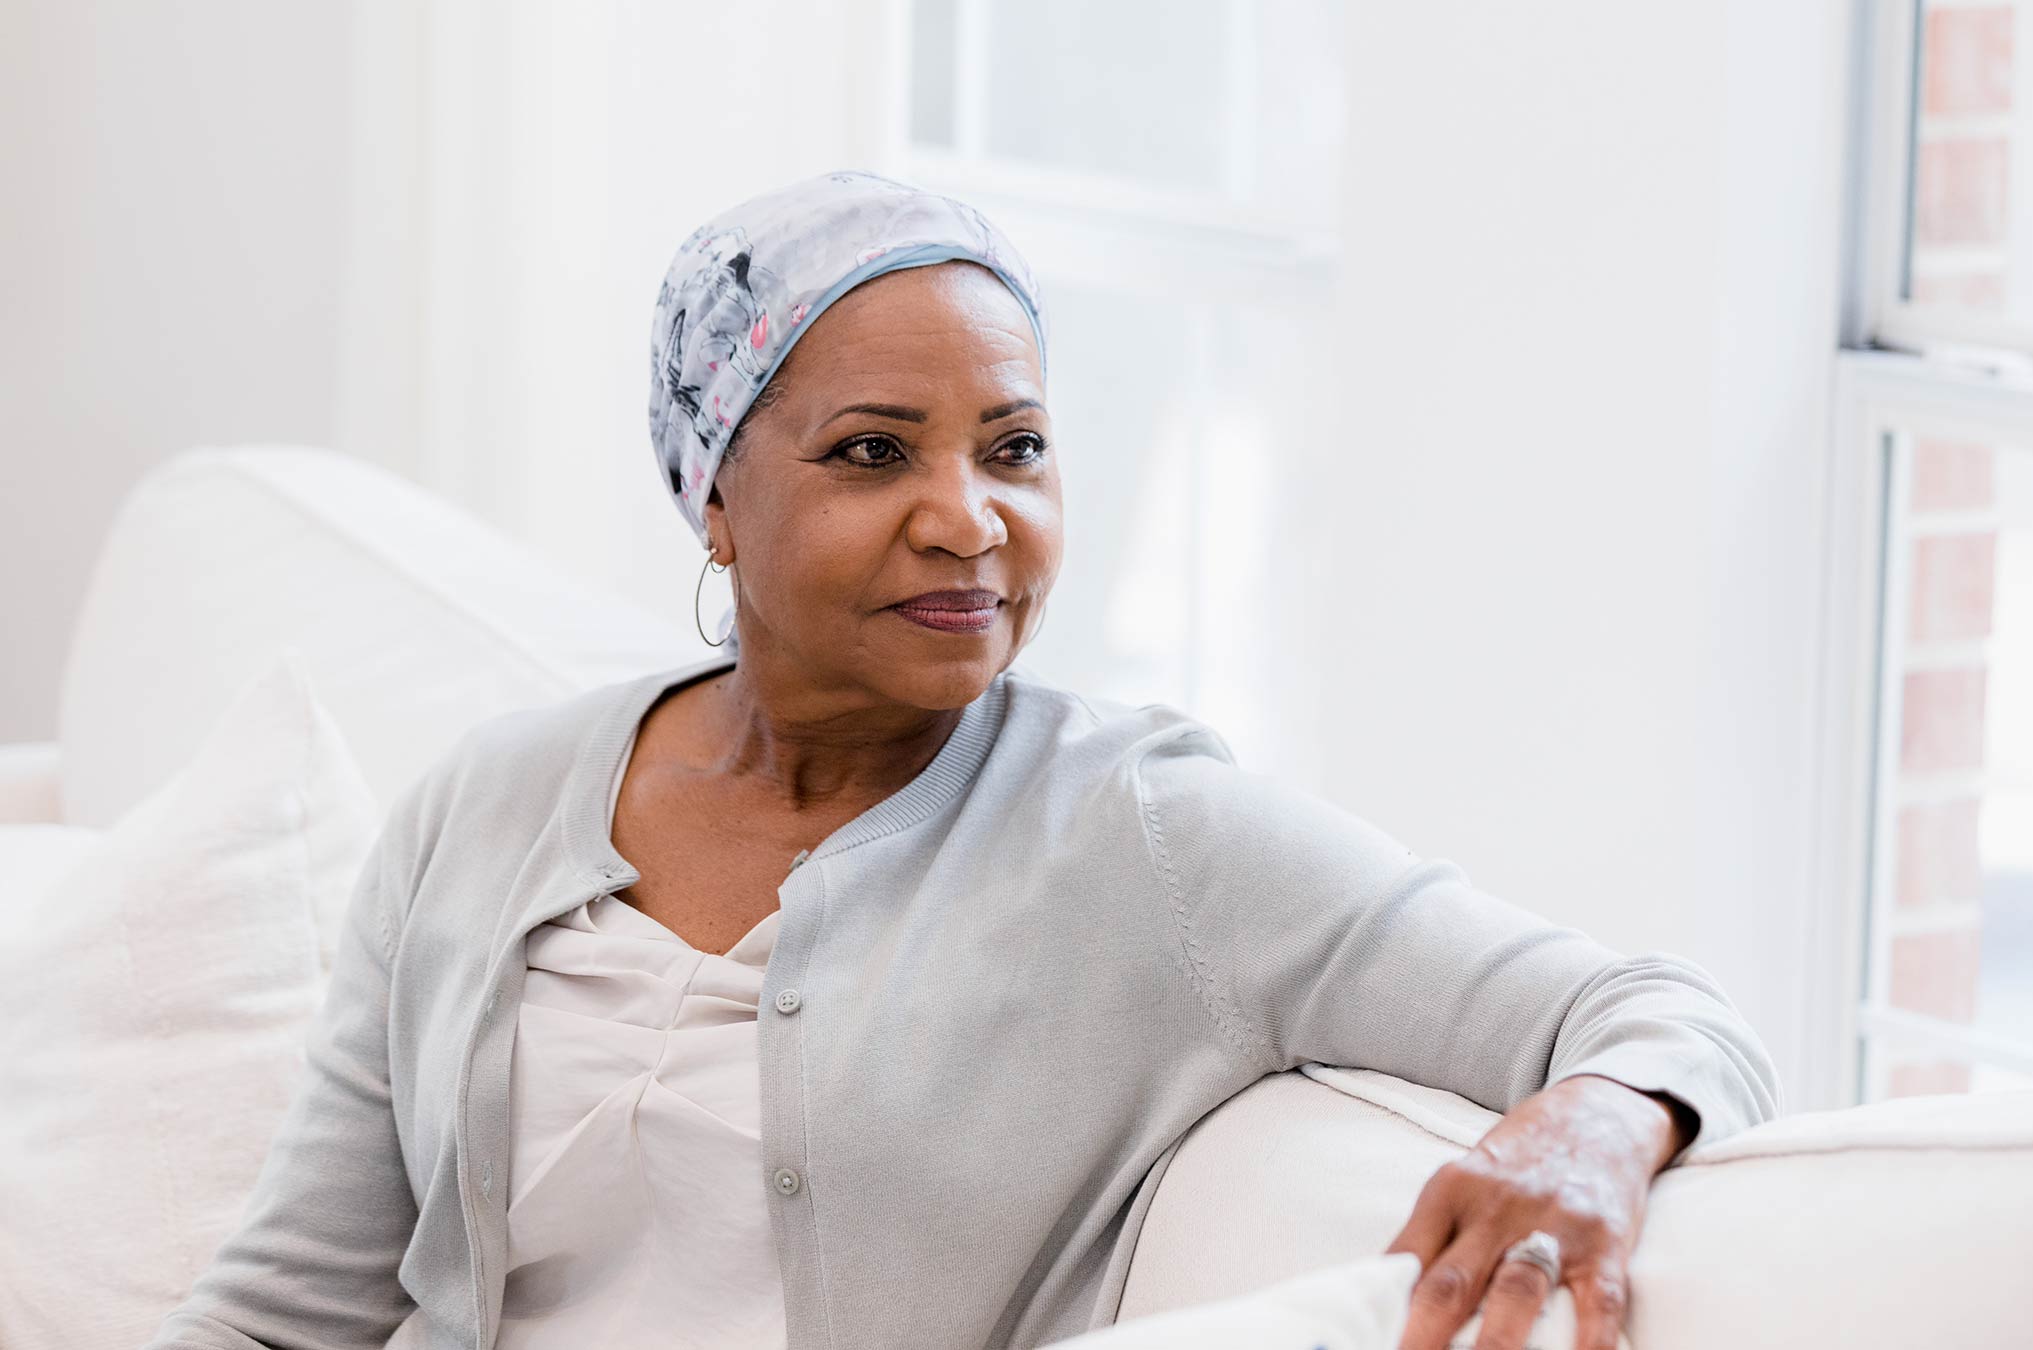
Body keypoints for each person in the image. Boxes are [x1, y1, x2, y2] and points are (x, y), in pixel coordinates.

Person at [145, 169, 1778, 1350]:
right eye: (872, 453)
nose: (968, 517)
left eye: (1016, 448)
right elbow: (288, 1305)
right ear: (717, 496)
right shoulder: (486, 805)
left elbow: (1657, 1012)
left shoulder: (1148, 834)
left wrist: (1590, 1128)